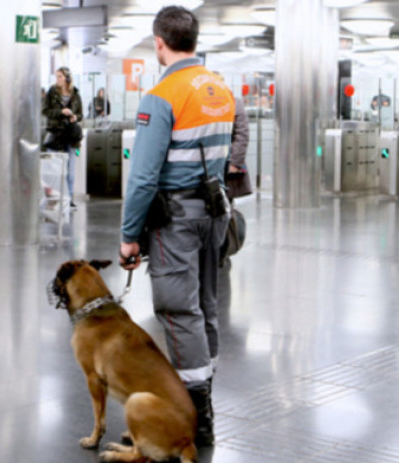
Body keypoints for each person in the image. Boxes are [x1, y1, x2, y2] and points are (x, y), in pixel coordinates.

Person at [118, 6, 234, 450]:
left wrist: (130, 235)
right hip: (214, 214)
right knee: (206, 306)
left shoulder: (162, 95)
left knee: (178, 311)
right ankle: (204, 398)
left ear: (159, 43)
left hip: (178, 221)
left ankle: (197, 417)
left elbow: (145, 176)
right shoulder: (219, 88)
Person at [42, 66, 83, 209]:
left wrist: (75, 117)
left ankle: (69, 199)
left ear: (67, 78)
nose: (57, 79)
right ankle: (53, 199)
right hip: (56, 134)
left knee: (70, 172)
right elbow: (45, 110)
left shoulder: (75, 94)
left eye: (60, 76)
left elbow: (81, 114)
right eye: (56, 76)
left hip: (71, 136)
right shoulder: (52, 92)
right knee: (53, 170)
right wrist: (61, 111)